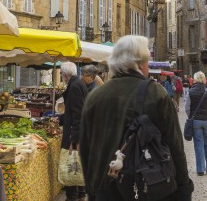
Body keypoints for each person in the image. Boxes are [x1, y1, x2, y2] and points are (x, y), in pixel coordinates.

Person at [80, 35, 193, 200]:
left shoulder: (95, 97)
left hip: (106, 188)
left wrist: (92, 190)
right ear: (140, 64)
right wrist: (184, 189)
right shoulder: (156, 94)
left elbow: (85, 150)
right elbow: (175, 147)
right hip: (147, 188)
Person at [59, 61, 88, 201]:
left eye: (61, 74)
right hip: (77, 132)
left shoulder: (75, 86)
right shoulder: (78, 83)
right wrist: (59, 118)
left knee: (72, 164)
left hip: (74, 134)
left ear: (65, 74)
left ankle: (73, 197)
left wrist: (73, 139)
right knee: (77, 164)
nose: (61, 77)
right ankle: (81, 194)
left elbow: (78, 114)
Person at [186, 71, 207, 176]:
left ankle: (200, 169)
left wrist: (191, 117)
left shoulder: (190, 92)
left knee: (198, 144)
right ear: (204, 79)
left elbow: (187, 108)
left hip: (196, 121)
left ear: (194, 79)